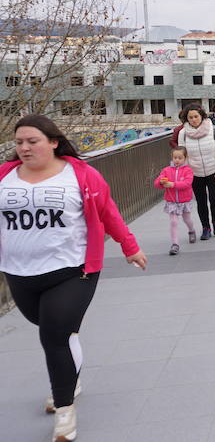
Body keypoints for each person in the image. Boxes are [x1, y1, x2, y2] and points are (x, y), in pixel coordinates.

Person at [0, 114, 147, 441]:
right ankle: (71, 377)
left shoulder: (80, 175)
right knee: (56, 330)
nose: (24, 148)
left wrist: (130, 247)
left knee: (53, 335)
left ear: (53, 142)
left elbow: (108, 211)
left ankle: (64, 409)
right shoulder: (5, 176)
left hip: (72, 269)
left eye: (32, 141)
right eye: (19, 142)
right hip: (19, 271)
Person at [178, 104, 215, 240]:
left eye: (196, 116)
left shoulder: (213, 129)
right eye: (190, 117)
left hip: (214, 171)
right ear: (186, 119)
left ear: (202, 116)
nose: (194, 120)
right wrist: (186, 173)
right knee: (201, 202)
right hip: (195, 174)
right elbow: (182, 155)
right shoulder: (183, 133)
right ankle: (206, 227)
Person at [154, 146, 196, 256]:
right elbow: (156, 183)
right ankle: (175, 244)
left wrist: (173, 184)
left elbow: (187, 183)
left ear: (185, 158)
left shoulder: (188, 170)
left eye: (180, 158)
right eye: (175, 157)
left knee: (187, 219)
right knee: (173, 222)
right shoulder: (166, 170)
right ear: (172, 157)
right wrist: (161, 182)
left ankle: (191, 230)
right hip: (171, 201)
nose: (177, 160)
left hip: (184, 200)